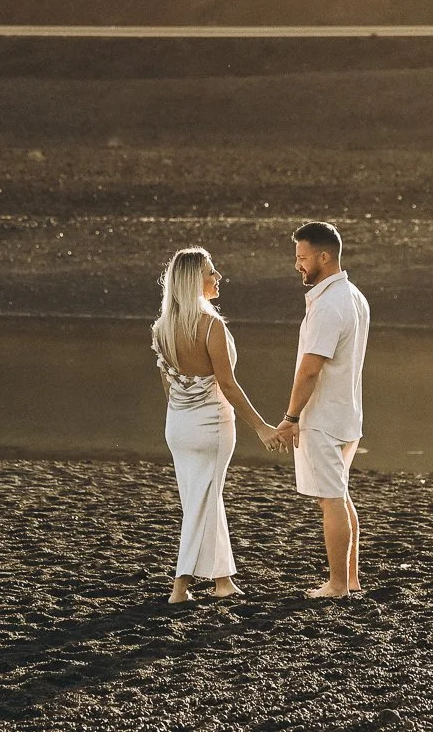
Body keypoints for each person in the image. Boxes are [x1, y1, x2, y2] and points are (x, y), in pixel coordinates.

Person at [152, 247, 279, 603]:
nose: (218, 277)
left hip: (178, 425)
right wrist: (262, 427)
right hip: (211, 425)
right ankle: (180, 586)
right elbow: (228, 385)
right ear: (195, 280)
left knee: (204, 499)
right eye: (211, 271)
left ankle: (223, 581)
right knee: (201, 503)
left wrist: (183, 416)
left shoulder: (162, 328)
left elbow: (168, 384)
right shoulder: (211, 326)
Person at [266, 221, 371, 598]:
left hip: (323, 418)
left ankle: (338, 584)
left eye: (303, 257)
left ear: (324, 257)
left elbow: (310, 368)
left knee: (331, 499)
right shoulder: (354, 295)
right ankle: (351, 579)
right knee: (339, 495)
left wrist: (291, 417)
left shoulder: (329, 305)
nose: (297, 265)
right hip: (347, 414)